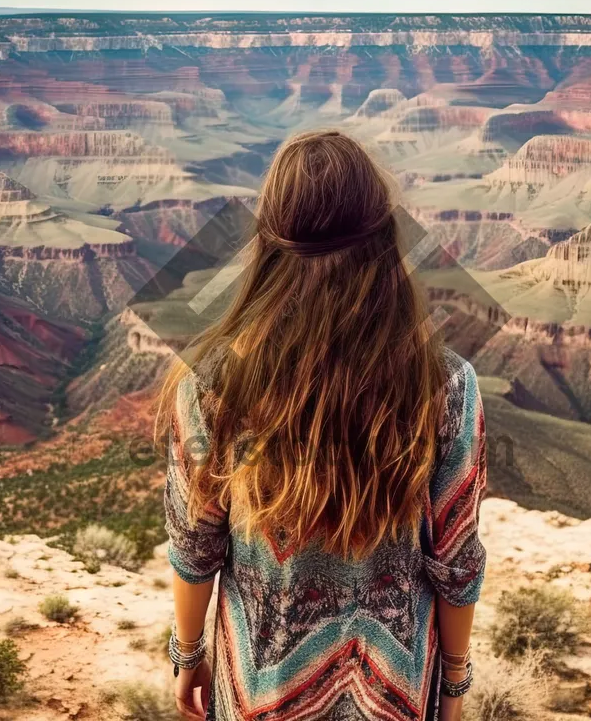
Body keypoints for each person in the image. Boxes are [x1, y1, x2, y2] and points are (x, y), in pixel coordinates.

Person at [158, 130, 487, 721]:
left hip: (260, 690)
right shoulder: (447, 385)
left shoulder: (213, 384)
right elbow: (456, 561)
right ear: (386, 241)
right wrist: (454, 687)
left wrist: (188, 654)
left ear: (269, 243)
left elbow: (196, 545)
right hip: (395, 690)